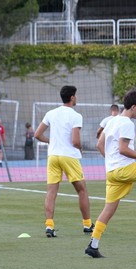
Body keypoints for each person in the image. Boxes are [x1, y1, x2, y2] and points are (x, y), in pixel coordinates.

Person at [34, 85, 94, 238]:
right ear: (72, 97)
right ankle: (87, 224)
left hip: (53, 156)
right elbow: (75, 141)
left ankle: (49, 226)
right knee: (82, 190)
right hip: (69, 156)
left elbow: (37, 134)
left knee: (51, 192)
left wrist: (52, 141)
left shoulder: (51, 113)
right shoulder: (76, 115)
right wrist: (81, 148)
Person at [85, 89, 136, 258]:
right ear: (134, 107)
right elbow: (123, 149)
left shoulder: (112, 121)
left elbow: (100, 144)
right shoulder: (128, 124)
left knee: (109, 208)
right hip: (124, 169)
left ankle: (93, 244)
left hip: (112, 172)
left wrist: (111, 162)